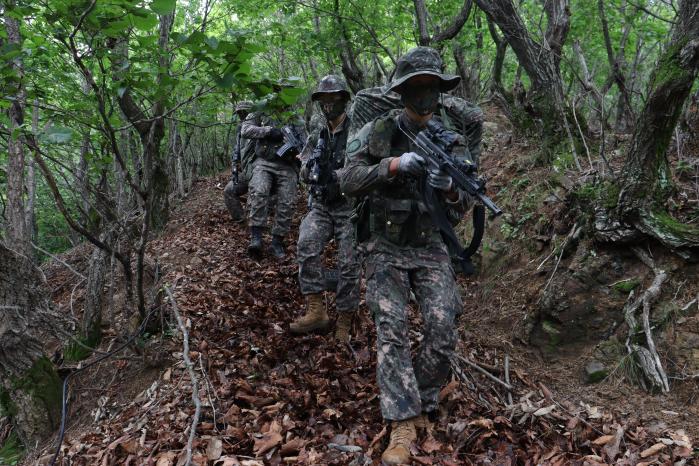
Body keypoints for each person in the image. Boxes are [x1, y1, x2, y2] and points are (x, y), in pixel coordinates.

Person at [339, 47, 477, 465]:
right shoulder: (376, 131)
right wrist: (395, 165)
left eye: (430, 88)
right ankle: (402, 421)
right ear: (402, 92)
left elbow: (466, 200)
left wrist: (449, 186)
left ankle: (423, 396)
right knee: (392, 328)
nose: (424, 97)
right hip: (384, 244)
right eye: (416, 88)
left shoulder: (452, 139)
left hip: (430, 244)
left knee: (443, 325)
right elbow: (346, 179)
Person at [290, 75, 360, 343]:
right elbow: (304, 167)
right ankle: (316, 309)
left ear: (343, 100)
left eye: (334, 99)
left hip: (348, 207)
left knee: (349, 262)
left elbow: (364, 167)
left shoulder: (356, 133)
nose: (328, 105)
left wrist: (340, 175)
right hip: (321, 204)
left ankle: (344, 318)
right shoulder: (317, 135)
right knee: (306, 242)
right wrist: (310, 169)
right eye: (324, 100)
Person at [242, 105, 306, 259]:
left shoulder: (296, 118)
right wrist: (269, 131)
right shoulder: (262, 109)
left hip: (288, 165)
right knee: (259, 191)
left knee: (288, 201)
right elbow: (245, 130)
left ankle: (277, 241)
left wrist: (301, 153)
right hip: (264, 161)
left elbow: (306, 142)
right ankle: (256, 237)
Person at [223, 101, 254, 222]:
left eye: (244, 112)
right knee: (229, 191)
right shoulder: (240, 129)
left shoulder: (260, 127)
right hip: (246, 172)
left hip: (261, 171)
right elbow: (237, 148)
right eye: (240, 113)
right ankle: (241, 220)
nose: (242, 116)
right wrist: (236, 163)